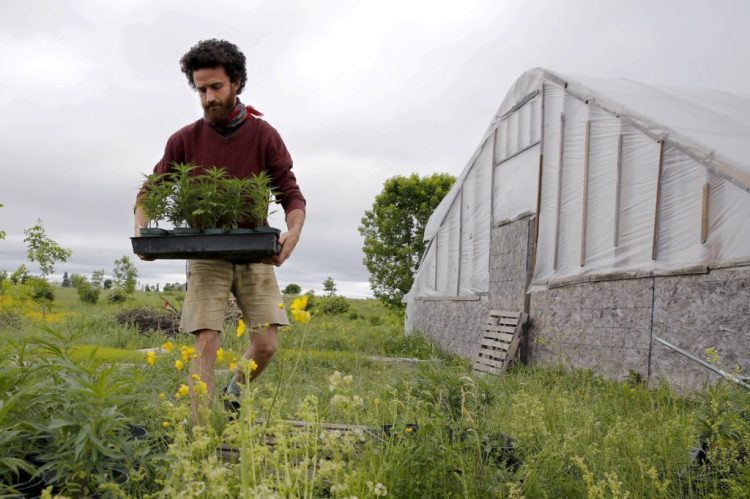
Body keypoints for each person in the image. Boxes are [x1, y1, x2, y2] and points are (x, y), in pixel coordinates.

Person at [133, 39, 305, 421]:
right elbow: (149, 192)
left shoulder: (264, 135)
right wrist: (143, 230)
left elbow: (291, 195)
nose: (208, 97)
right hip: (205, 252)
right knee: (206, 341)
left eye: (216, 87)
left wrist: (292, 233)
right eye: (201, 89)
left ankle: (233, 393)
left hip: (254, 250)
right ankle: (200, 436)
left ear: (237, 83)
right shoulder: (184, 139)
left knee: (265, 345)